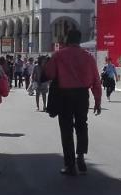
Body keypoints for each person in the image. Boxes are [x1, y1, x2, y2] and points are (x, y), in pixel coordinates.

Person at [44, 28, 103, 175]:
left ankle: (70, 165)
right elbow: (96, 80)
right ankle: (81, 155)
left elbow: (49, 73)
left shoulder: (59, 55)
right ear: (79, 40)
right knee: (82, 125)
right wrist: (97, 101)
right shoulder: (88, 57)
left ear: (67, 40)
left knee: (66, 129)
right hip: (82, 95)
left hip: (64, 95)